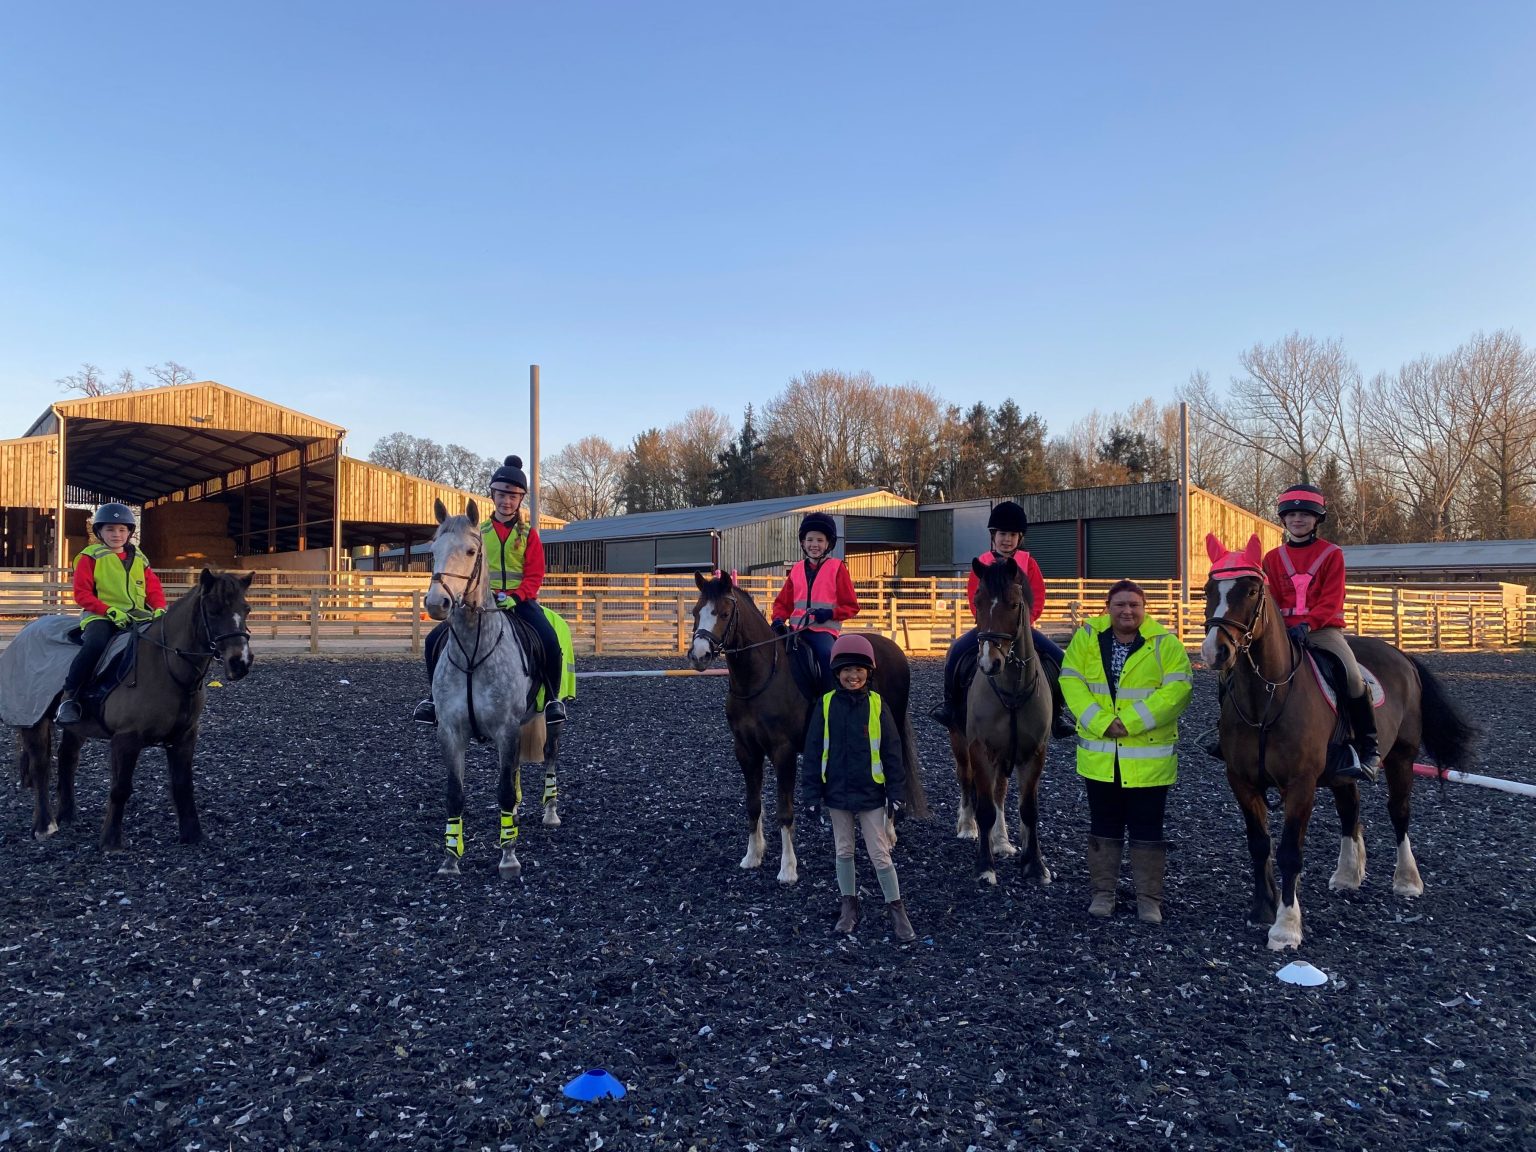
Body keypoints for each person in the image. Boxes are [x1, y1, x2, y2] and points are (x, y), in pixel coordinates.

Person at [1059, 579, 1192, 923]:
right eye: (1120, 604)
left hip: (1148, 759)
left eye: (1134, 604)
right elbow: (1070, 680)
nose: (1127, 610)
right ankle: (1103, 894)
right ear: (1108, 607)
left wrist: (1129, 722)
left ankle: (1149, 899)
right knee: (1104, 824)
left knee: (1148, 827)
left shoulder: (1165, 643)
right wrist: (1101, 721)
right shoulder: (1088, 637)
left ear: (1144, 608)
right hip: (1101, 755)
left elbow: (1178, 689)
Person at [412, 455, 566, 726]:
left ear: (520, 500)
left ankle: (553, 700)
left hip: (520, 601)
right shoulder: (477, 531)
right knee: (433, 641)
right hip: (482, 601)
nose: (507, 501)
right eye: (502, 494)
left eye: (514, 496)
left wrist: (517, 596)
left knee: (550, 640)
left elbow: (534, 574)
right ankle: (434, 700)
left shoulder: (528, 534)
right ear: (493, 495)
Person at [798, 633, 915, 942]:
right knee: (844, 849)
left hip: (871, 794)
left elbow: (891, 750)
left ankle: (896, 907)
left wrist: (897, 793)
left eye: (859, 670)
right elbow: (812, 753)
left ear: (869, 672)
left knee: (880, 853)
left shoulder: (878, 705)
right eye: (847, 670)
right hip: (836, 793)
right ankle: (848, 905)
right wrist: (810, 795)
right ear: (837, 673)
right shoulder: (825, 705)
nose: (853, 676)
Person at [929, 500, 1074, 738]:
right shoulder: (983, 563)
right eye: (1002, 534)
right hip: (988, 629)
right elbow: (975, 597)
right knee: (956, 653)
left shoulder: (1029, 563)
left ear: (1020, 538)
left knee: (1061, 660)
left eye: (1012, 534)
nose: (1007, 539)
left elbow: (1037, 595)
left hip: (1022, 629)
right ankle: (950, 706)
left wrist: (1026, 623)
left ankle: (1056, 714)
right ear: (993, 536)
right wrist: (986, 624)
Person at [1267, 483, 1379, 779]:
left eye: (1305, 514)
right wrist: (1280, 628)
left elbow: (1332, 597)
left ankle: (1369, 747)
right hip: (1283, 632)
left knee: (1352, 677)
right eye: (1291, 515)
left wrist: (1309, 623)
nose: (1298, 520)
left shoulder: (1332, 554)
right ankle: (1226, 732)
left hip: (1321, 630)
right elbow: (1272, 599)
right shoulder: (1272, 558)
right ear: (1284, 519)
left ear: (1317, 519)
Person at [55, 503, 167, 724]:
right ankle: (70, 697)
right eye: (110, 529)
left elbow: (153, 589)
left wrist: (160, 608)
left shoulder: (139, 559)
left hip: (137, 615)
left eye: (122, 530)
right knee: (95, 644)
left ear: (129, 533)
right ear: (99, 532)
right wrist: (109, 610)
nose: (117, 534)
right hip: (101, 616)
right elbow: (82, 594)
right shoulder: (90, 557)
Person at [770, 512, 860, 692]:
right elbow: (783, 603)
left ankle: (831, 698)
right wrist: (778, 619)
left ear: (828, 543)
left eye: (819, 540)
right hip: (795, 631)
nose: (814, 545)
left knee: (827, 655)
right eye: (810, 540)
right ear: (803, 543)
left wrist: (830, 613)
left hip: (822, 631)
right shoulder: (796, 569)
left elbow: (851, 606)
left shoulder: (837, 568)